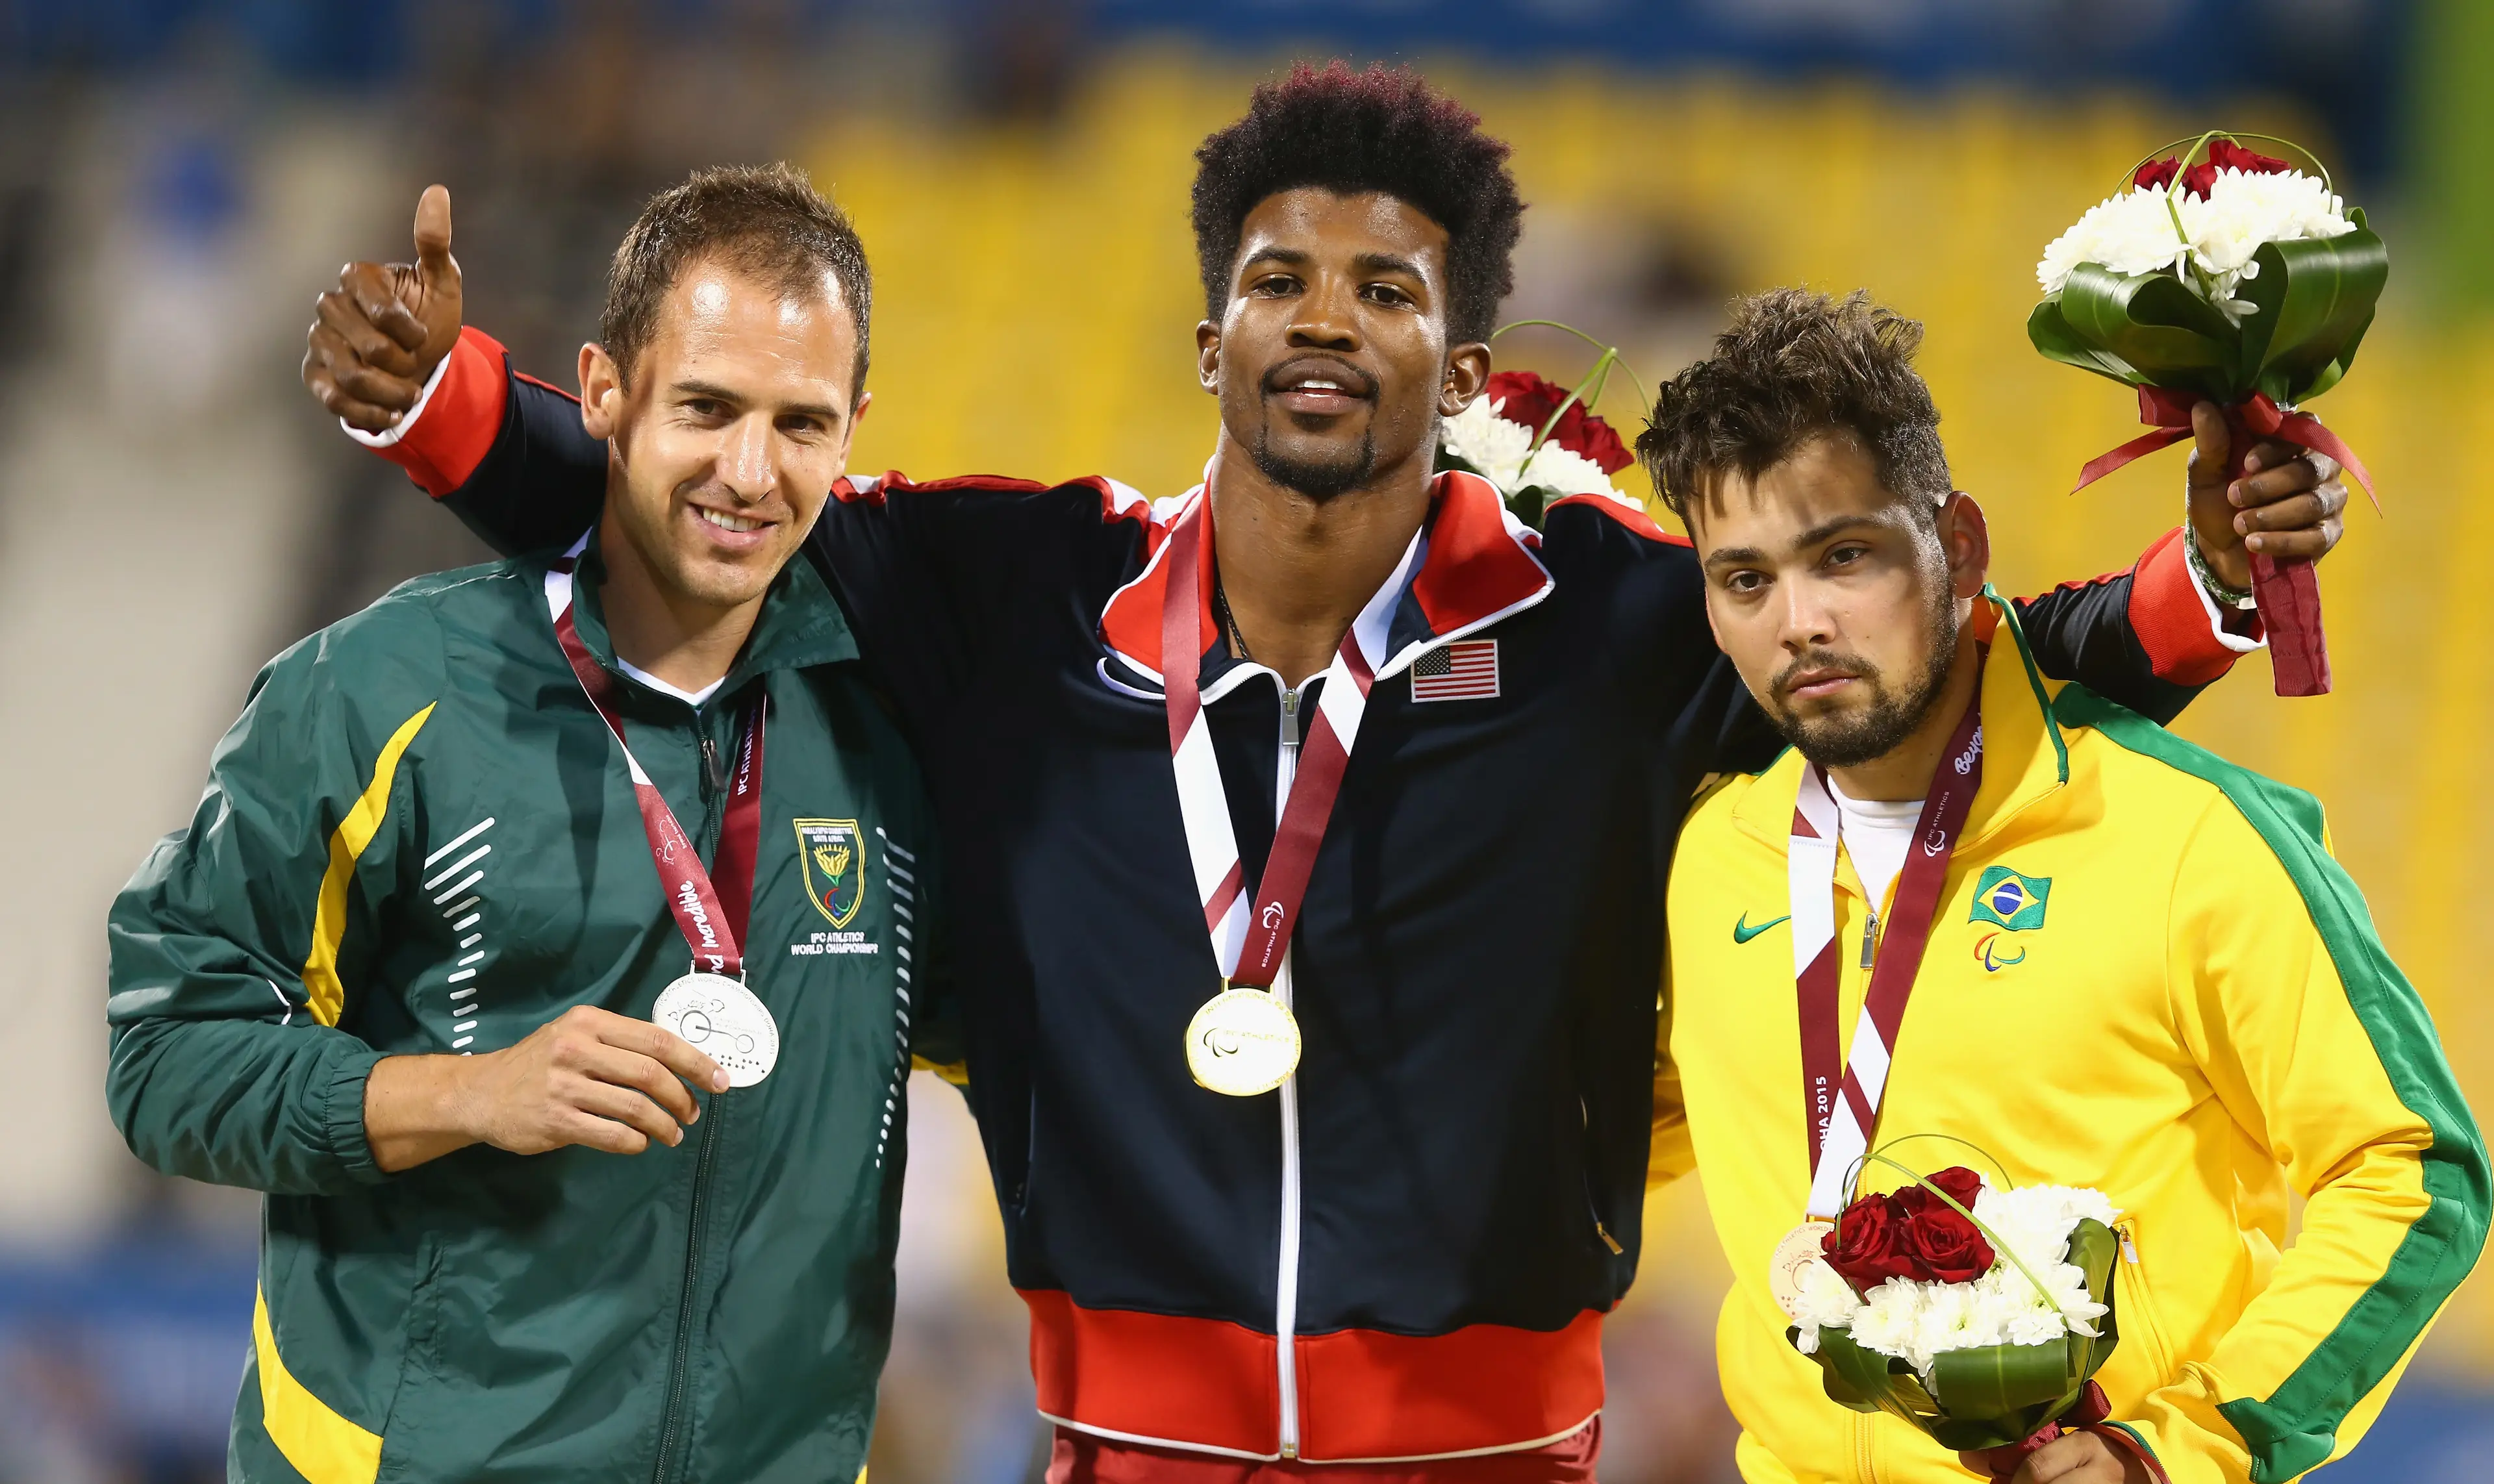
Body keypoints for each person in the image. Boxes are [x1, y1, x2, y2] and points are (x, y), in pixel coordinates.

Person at [301, 65, 2349, 1481]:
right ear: (1211, 338)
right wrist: (444, 405)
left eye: (1388, 291)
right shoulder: (1024, 594)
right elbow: (705, 519)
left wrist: (2213, 581)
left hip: (1501, 1446)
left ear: (1461, 367)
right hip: (1118, 1440)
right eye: (1278, 279)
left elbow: (1939, 675)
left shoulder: (1613, 623)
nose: (1325, 321)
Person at [109, 165, 944, 1483]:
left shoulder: (898, 740)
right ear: (603, 393)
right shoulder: (383, 692)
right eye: (707, 407)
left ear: (855, 433)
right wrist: (469, 1091)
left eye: (801, 423)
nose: (750, 471)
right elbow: (167, 1055)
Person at [1641, 288, 2488, 1484]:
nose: (1802, 623)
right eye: (1746, 581)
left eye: (1845, 556)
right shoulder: (1707, 857)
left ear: (1959, 546)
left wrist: (2180, 1450)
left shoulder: (2191, 837)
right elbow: (1617, 1136)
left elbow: (2414, 1171)